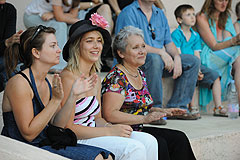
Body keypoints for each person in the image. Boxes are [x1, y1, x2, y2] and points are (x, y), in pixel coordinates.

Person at [1, 25, 114, 160]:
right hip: (21, 147)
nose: (59, 50)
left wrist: (73, 96)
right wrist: (55, 101)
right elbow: (29, 134)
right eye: (53, 46)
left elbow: (58, 125)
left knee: (105, 156)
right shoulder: (19, 83)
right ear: (36, 53)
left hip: (45, 143)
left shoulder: (48, 80)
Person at [60, 14, 158, 160]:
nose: (96, 46)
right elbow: (67, 129)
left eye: (99, 41)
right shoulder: (68, 77)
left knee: (150, 141)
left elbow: (97, 119)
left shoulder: (95, 78)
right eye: (89, 41)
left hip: (95, 132)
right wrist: (109, 132)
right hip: (78, 138)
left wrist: (108, 127)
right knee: (134, 148)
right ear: (77, 45)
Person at [101, 26, 196, 160]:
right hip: (121, 131)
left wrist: (163, 111)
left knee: (179, 138)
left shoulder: (139, 73)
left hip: (137, 129)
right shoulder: (116, 78)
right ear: (121, 53)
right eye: (135, 48)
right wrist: (145, 119)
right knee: (160, 143)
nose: (142, 51)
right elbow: (110, 114)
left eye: (143, 46)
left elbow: (136, 107)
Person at [115, 0, 200, 121]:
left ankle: (177, 107)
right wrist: (161, 52)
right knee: (155, 59)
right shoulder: (128, 13)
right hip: (133, 64)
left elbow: (168, 42)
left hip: (158, 63)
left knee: (192, 61)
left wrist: (176, 57)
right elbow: (129, 44)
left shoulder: (159, 13)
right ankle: (155, 109)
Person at [24, 0, 113, 72]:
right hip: (34, 16)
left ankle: (75, 63)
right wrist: (58, 15)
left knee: (73, 28)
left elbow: (72, 16)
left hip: (53, 16)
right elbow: (60, 18)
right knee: (61, 25)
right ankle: (59, 67)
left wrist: (54, 14)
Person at [171, 4, 225, 117]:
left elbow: (197, 54)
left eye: (193, 14)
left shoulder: (195, 35)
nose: (192, 17)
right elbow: (178, 54)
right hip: (183, 64)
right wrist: (195, 69)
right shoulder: (176, 34)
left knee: (215, 76)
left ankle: (218, 107)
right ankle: (193, 108)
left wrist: (199, 69)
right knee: (192, 75)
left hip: (195, 65)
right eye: (188, 15)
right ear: (179, 20)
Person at [196, 0, 240, 111]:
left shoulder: (226, 17)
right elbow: (214, 45)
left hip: (226, 55)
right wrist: (235, 40)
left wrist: (234, 41)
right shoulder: (201, 17)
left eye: (226, 0)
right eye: (220, 0)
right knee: (238, 54)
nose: (224, 3)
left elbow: (229, 41)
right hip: (209, 56)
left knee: (239, 60)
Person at [0, 0, 23, 92]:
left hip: (3, 56)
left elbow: (9, 43)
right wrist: (6, 42)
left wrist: (13, 40)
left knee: (21, 62)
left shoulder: (9, 9)